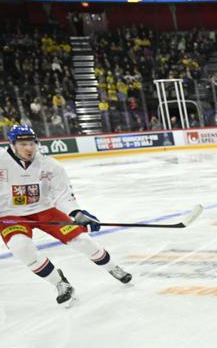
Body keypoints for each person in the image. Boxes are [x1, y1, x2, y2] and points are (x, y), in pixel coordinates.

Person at [1, 125, 132, 305]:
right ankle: (60, 283)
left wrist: (77, 213)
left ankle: (113, 268)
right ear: (12, 145)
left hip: (45, 210)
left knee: (82, 241)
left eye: (31, 143)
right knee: (21, 248)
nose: (29, 148)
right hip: (9, 215)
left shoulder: (50, 165)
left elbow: (62, 195)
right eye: (23, 144)